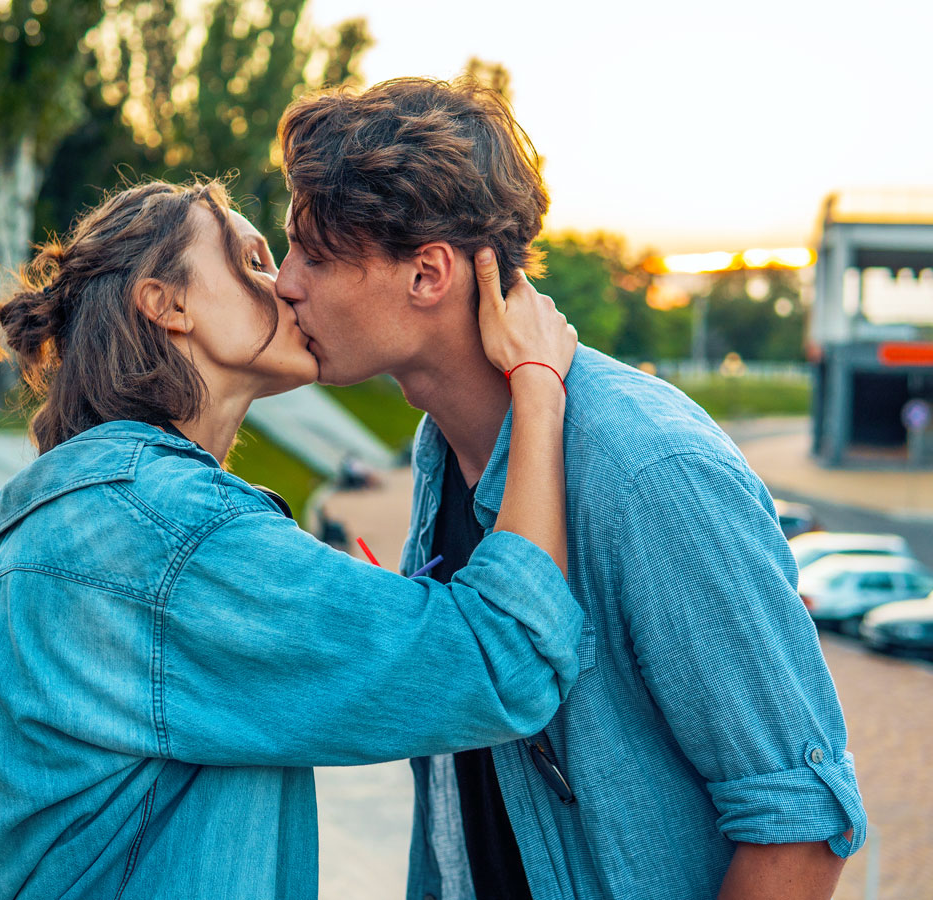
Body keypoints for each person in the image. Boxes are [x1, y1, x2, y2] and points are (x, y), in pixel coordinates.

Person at [0, 178, 583, 899]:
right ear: (168, 303)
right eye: (254, 260)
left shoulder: (57, 527)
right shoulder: (172, 534)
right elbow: (508, 655)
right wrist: (537, 384)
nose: (289, 285)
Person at [275, 77, 867, 900]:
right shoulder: (441, 446)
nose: (285, 282)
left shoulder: (649, 472)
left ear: (427, 274)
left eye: (316, 253)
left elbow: (801, 826)